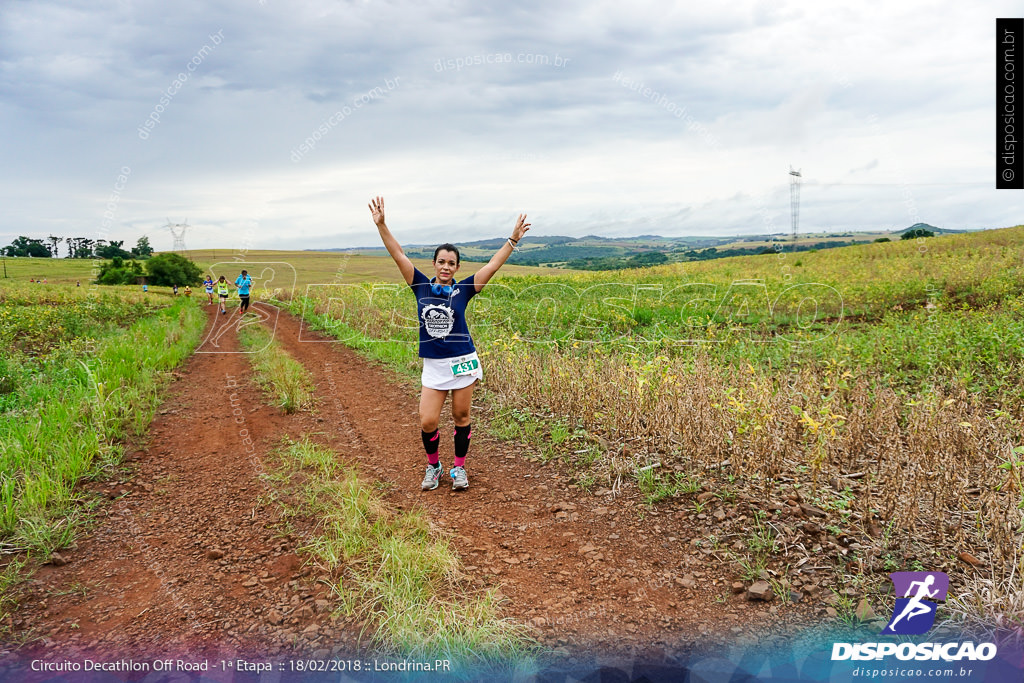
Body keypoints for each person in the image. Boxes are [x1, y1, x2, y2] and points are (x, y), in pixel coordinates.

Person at [369, 196, 530, 491]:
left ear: (457, 267)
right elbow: (399, 255)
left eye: (451, 263)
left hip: (462, 360)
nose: (446, 266)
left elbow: (492, 266)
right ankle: (434, 466)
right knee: (427, 420)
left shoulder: (464, 289)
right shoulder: (419, 285)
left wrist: (512, 240)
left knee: (461, 416)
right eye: (441, 262)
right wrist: (382, 225)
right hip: (434, 365)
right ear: (433, 263)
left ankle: (459, 469)